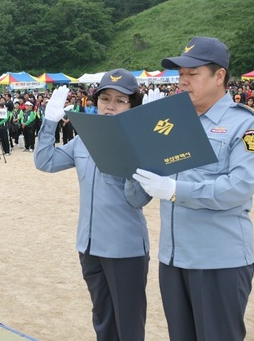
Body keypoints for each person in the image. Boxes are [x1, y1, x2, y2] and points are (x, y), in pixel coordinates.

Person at [133, 36, 254, 341]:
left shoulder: (245, 125)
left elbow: (237, 188)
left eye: (192, 75)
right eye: (180, 75)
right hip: (173, 259)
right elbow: (144, 184)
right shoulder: (172, 122)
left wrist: (174, 190)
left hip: (218, 262)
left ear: (219, 75)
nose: (183, 82)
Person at [34, 70, 152, 341]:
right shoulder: (85, 139)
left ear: (133, 106)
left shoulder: (139, 143)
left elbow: (137, 199)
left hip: (124, 249)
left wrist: (133, 156)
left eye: (120, 100)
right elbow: (45, 161)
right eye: (105, 98)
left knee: (129, 325)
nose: (110, 105)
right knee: (103, 319)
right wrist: (49, 122)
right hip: (89, 245)